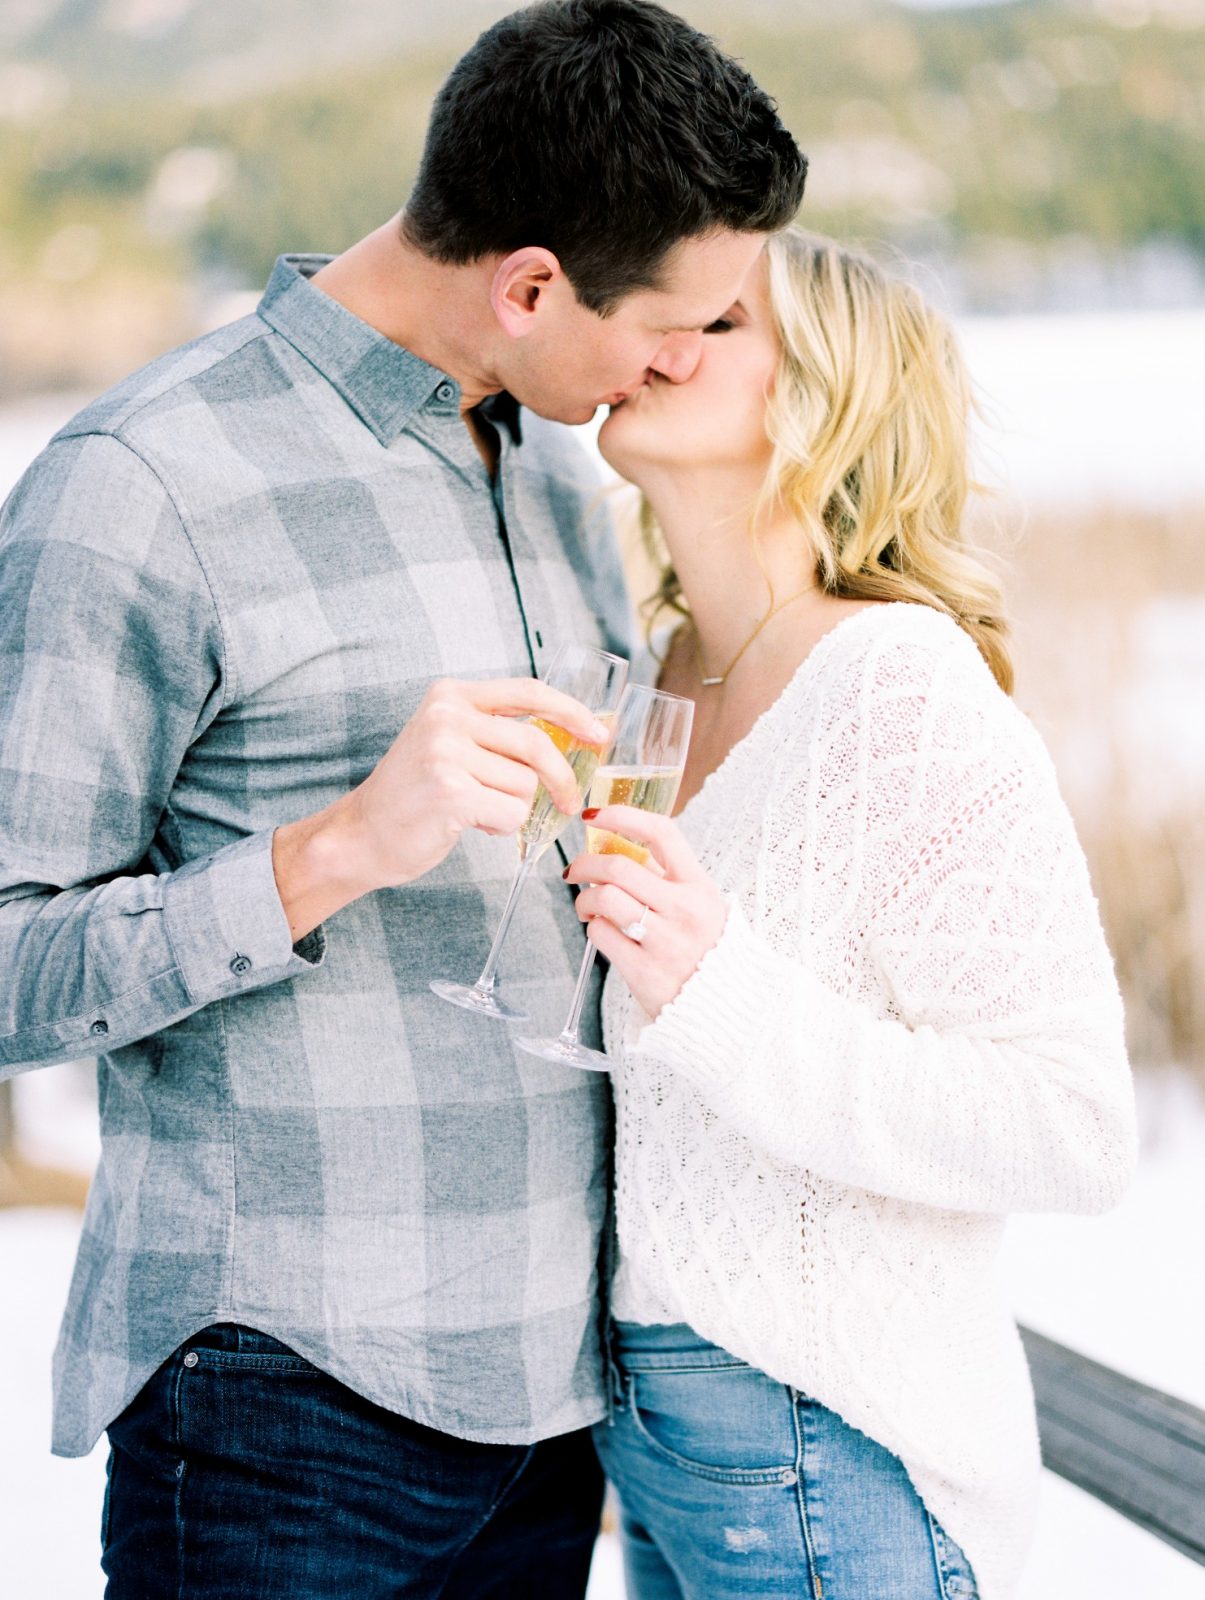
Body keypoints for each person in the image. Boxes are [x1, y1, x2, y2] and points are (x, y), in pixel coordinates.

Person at [0, 4, 807, 1595]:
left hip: (552, 1408)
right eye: (675, 322)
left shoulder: (561, 473)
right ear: (526, 283)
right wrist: (333, 850)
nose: (680, 362)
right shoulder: (141, 487)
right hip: (285, 1404)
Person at [564, 228, 1139, 1600]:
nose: (661, 337)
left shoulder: (900, 688)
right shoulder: (659, 670)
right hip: (655, 1427)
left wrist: (720, 994)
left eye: (720, 324)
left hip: (826, 1434)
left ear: (823, 399)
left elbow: (1073, 1131)